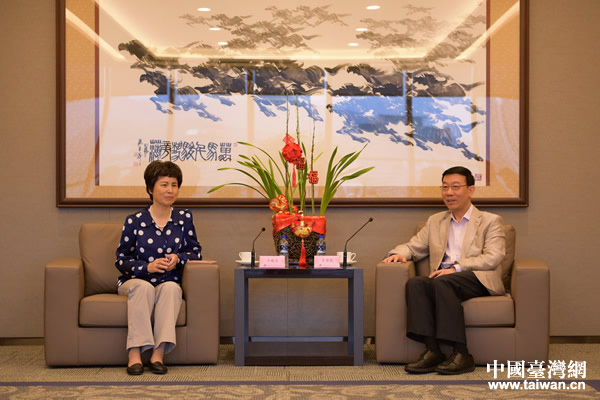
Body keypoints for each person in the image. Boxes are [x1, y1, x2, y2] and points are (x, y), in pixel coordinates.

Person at [382, 166, 505, 375]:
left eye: (456, 187)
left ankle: (462, 354)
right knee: (416, 283)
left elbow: (494, 256)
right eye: (445, 187)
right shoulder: (435, 221)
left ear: (470, 190)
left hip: (478, 277)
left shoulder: (490, 221)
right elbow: (414, 246)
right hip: (444, 279)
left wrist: (457, 268)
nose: (449, 193)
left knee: (443, 281)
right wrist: (398, 254)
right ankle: (433, 351)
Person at [115, 161, 202, 375]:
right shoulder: (135, 221)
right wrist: (148, 267)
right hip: (134, 280)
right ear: (150, 189)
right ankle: (134, 353)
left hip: (168, 280)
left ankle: (158, 354)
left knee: (172, 289)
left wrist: (178, 258)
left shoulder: (184, 219)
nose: (170, 190)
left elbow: (196, 253)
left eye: (174, 185)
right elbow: (121, 260)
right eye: (164, 185)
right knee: (143, 288)